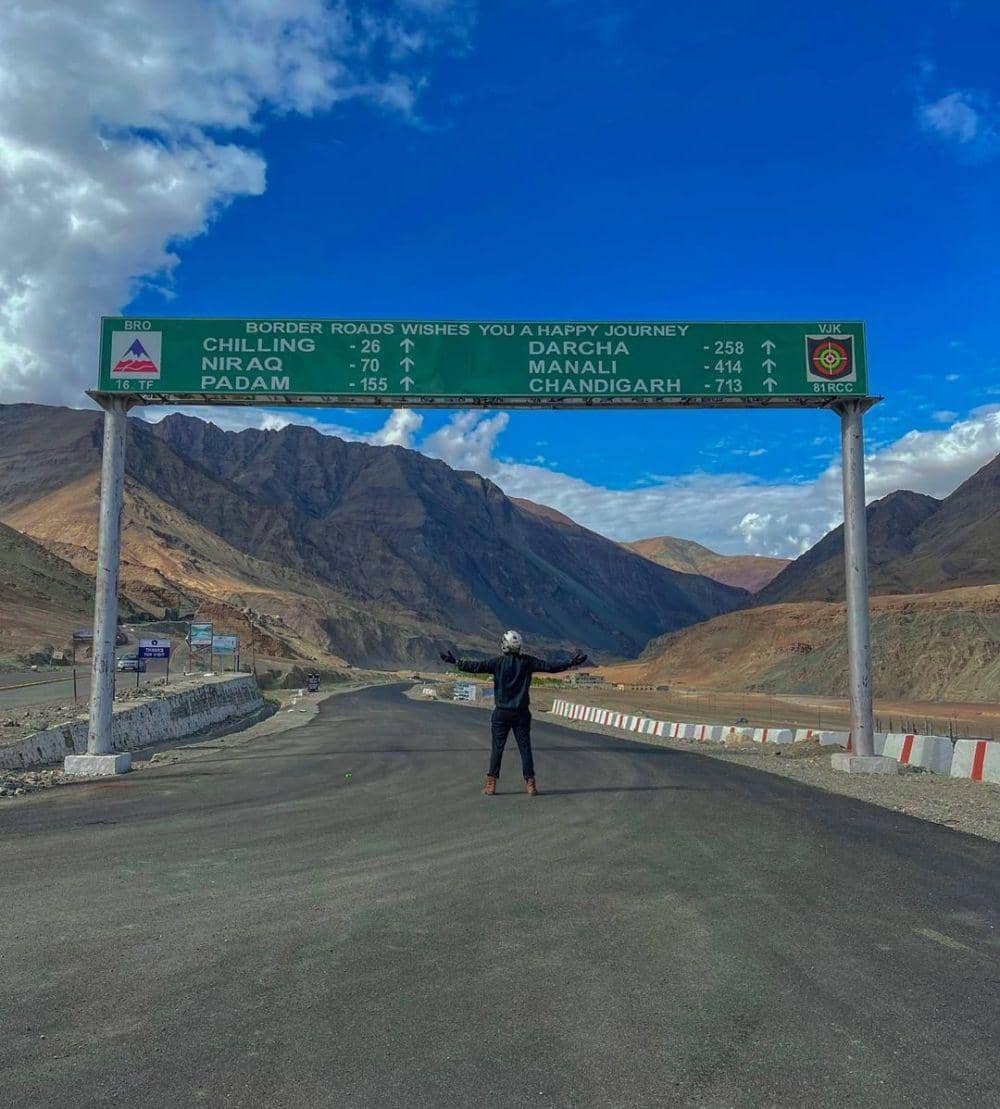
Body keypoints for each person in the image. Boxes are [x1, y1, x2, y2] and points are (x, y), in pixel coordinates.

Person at [440, 630, 588, 796]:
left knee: (497, 748)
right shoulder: (527, 662)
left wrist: (454, 661)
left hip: (502, 713)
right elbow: (550, 667)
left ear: (504, 645)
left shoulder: (497, 663)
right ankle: (530, 784)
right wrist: (570, 662)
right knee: (525, 748)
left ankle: (491, 784)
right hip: (521, 713)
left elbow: (475, 666)